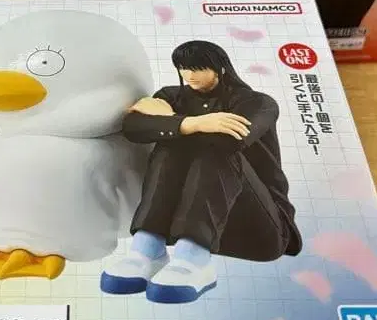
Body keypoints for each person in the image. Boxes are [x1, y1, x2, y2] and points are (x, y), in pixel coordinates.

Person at [101, 41, 302, 304]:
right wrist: (192, 123)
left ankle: (194, 260)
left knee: (212, 149)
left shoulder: (257, 103)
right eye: (182, 68)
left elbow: (229, 142)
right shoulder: (172, 95)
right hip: (187, 229)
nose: (188, 75)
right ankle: (147, 250)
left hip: (258, 228)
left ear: (219, 67)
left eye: (197, 68)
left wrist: (172, 121)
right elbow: (133, 127)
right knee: (169, 147)